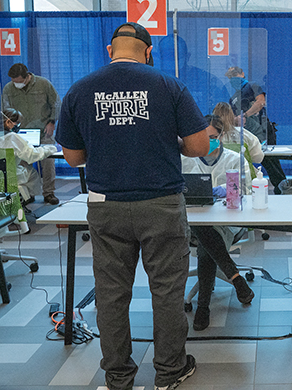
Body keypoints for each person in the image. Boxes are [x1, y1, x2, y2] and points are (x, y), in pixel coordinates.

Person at [56, 22, 210, 390]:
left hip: (106, 206)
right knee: (168, 291)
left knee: (111, 295)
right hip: (161, 204)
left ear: (109, 52)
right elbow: (200, 146)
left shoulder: (80, 90)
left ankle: (118, 377)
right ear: (149, 51)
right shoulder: (168, 85)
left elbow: (73, 157)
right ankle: (170, 371)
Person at [181, 115, 255, 331]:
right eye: (204, 138)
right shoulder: (186, 160)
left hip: (226, 224)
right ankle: (235, 277)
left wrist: (227, 191)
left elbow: (248, 192)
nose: (208, 142)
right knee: (204, 232)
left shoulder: (234, 159)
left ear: (222, 136)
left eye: (213, 137)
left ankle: (203, 306)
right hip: (191, 224)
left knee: (206, 243)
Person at [1, 63, 60, 205]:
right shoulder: (8, 88)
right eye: (14, 81)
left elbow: (56, 103)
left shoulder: (43, 84)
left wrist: (52, 122)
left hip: (43, 130)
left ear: (27, 77)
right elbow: (5, 110)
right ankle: (28, 194)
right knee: (22, 164)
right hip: (22, 132)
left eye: (19, 81)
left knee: (48, 162)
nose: (16, 84)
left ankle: (49, 193)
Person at [225, 66, 286, 193]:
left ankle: (282, 186)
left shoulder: (253, 86)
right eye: (231, 77)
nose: (233, 78)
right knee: (258, 159)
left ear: (243, 74)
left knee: (270, 159)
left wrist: (245, 115)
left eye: (236, 74)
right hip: (247, 133)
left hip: (263, 131)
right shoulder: (233, 98)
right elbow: (233, 117)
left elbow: (261, 102)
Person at [0, 108, 57, 205]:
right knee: (31, 172)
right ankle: (27, 198)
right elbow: (32, 155)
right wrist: (50, 149)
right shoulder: (12, 137)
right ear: (8, 122)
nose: (18, 126)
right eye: (17, 123)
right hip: (11, 176)